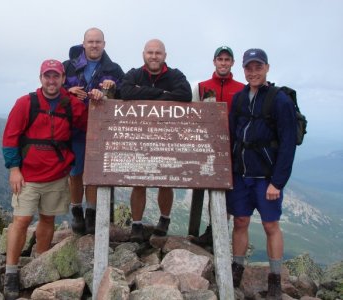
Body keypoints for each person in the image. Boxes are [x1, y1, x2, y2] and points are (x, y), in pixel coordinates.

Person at [1, 59, 87, 300]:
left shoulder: (70, 104)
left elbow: (90, 121)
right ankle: (11, 271)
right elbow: (10, 138)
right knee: (21, 220)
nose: (51, 81)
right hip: (27, 175)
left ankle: (41, 263)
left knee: (48, 219)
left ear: (62, 79)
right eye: (47, 76)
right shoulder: (25, 103)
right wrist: (14, 169)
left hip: (57, 174)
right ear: (41, 78)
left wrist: (99, 98)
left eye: (56, 76)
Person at [227, 49, 296, 299]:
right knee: (240, 222)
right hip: (241, 175)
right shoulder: (239, 98)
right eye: (249, 68)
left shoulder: (280, 101)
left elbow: (288, 144)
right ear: (243, 69)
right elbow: (233, 135)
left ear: (267, 68)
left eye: (258, 67)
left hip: (266, 178)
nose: (253, 72)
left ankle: (275, 279)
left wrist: (277, 182)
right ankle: (236, 269)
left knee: (270, 225)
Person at [120, 39, 192, 243]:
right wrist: (163, 94)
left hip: (168, 137)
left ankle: (165, 219)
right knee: (138, 182)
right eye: (150, 52)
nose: (154, 56)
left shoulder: (175, 75)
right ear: (144, 54)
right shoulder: (134, 73)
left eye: (158, 53)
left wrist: (142, 93)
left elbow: (185, 94)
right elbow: (125, 92)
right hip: (140, 138)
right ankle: (136, 224)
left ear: (165, 56)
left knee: (166, 181)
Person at [63, 27, 124, 235]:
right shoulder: (68, 67)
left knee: (94, 172)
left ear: (104, 44)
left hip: (101, 130)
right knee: (76, 172)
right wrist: (68, 90)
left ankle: (91, 212)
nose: (94, 45)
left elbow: (125, 93)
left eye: (98, 42)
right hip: (75, 129)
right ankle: (77, 211)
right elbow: (52, 89)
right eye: (91, 42)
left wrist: (111, 87)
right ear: (84, 44)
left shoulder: (114, 69)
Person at [190, 46, 245, 248]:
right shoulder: (201, 86)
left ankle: (217, 230)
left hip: (232, 149)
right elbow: (193, 115)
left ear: (232, 63)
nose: (223, 62)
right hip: (206, 148)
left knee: (225, 192)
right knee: (205, 189)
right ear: (214, 62)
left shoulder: (242, 88)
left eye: (227, 59)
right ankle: (210, 232)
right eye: (220, 59)